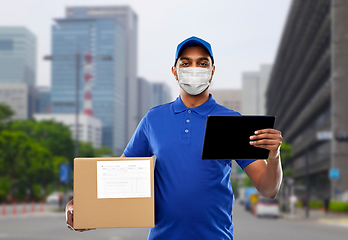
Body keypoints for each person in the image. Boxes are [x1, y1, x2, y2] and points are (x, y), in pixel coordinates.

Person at [66, 36, 283, 239]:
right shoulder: (154, 118)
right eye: (186, 63)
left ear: (212, 71)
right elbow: (119, 178)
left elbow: (268, 189)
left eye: (202, 63)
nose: (194, 69)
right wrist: (84, 207)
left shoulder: (231, 121)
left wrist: (274, 156)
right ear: (174, 70)